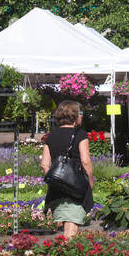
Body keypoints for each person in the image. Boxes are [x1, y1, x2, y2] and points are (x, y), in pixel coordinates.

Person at [40, 99, 94, 239]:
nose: (82, 116)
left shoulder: (50, 136)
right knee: (71, 229)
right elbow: (85, 161)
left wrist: (57, 181)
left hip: (57, 190)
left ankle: (63, 254)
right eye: (81, 113)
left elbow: (44, 164)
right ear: (75, 116)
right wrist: (90, 182)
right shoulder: (80, 134)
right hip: (75, 188)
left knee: (66, 225)